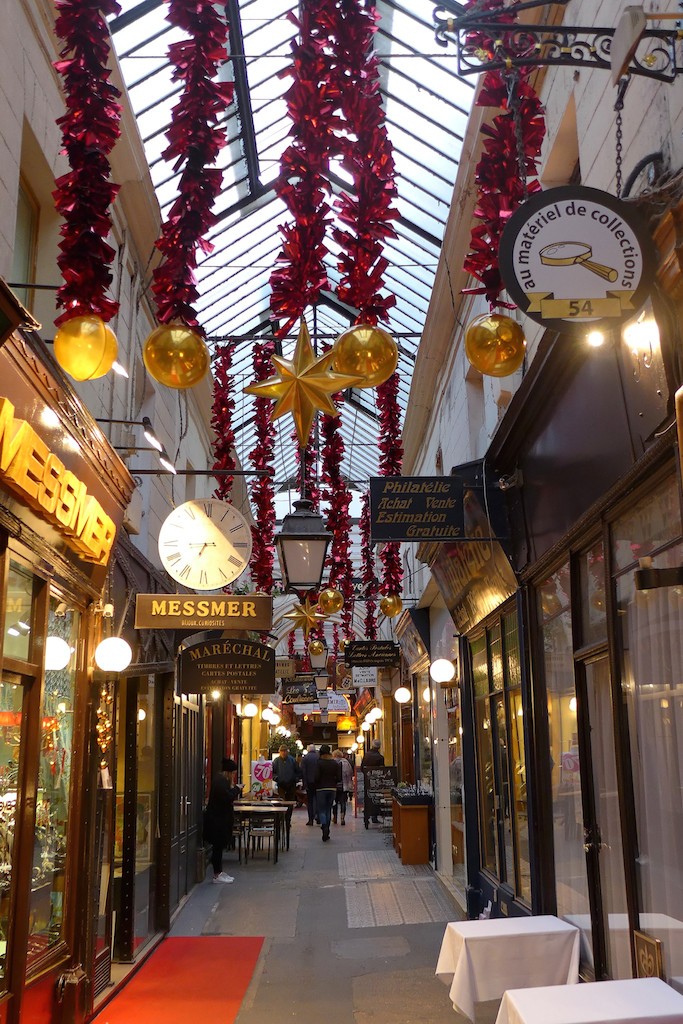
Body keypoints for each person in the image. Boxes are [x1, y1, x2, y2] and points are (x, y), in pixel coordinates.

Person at [203, 757, 241, 883]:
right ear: (229, 772)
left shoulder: (221, 781)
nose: (234, 776)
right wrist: (237, 789)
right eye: (233, 773)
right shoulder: (221, 782)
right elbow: (227, 797)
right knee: (217, 848)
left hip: (218, 820)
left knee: (218, 848)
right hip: (217, 822)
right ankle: (217, 874)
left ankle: (219, 872)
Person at [315, 744, 341, 842]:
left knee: (321, 809)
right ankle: (327, 828)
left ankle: (324, 825)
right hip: (332, 789)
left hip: (321, 789)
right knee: (328, 809)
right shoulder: (334, 763)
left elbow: (316, 777)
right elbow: (339, 778)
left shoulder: (319, 763)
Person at [272, 744, 300, 828]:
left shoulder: (292, 760)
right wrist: (276, 778)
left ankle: (288, 820)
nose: (283, 753)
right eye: (282, 751)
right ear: (279, 752)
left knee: (289, 803)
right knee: (281, 802)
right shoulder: (276, 761)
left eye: (285, 751)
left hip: (291, 784)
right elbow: (272, 772)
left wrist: (295, 779)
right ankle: (281, 819)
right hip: (281, 785)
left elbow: (298, 771)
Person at [361, 738, 384, 827]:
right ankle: (374, 816)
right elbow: (382, 770)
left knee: (367, 798)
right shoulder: (380, 757)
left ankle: (366, 818)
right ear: (379, 747)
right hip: (377, 781)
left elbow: (363, 767)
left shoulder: (366, 755)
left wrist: (367, 775)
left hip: (367, 780)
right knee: (376, 797)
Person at [332, 749, 353, 825]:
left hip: (334, 786)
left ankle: (334, 817)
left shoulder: (332, 762)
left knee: (334, 803)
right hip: (344, 786)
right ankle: (342, 818)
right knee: (343, 802)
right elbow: (350, 774)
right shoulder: (346, 763)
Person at [300, 743, 319, 826]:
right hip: (318, 782)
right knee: (318, 800)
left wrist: (304, 783)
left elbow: (303, 772)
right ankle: (318, 817)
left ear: (308, 749)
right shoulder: (319, 757)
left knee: (310, 802)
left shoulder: (305, 758)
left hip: (309, 782)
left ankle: (310, 819)